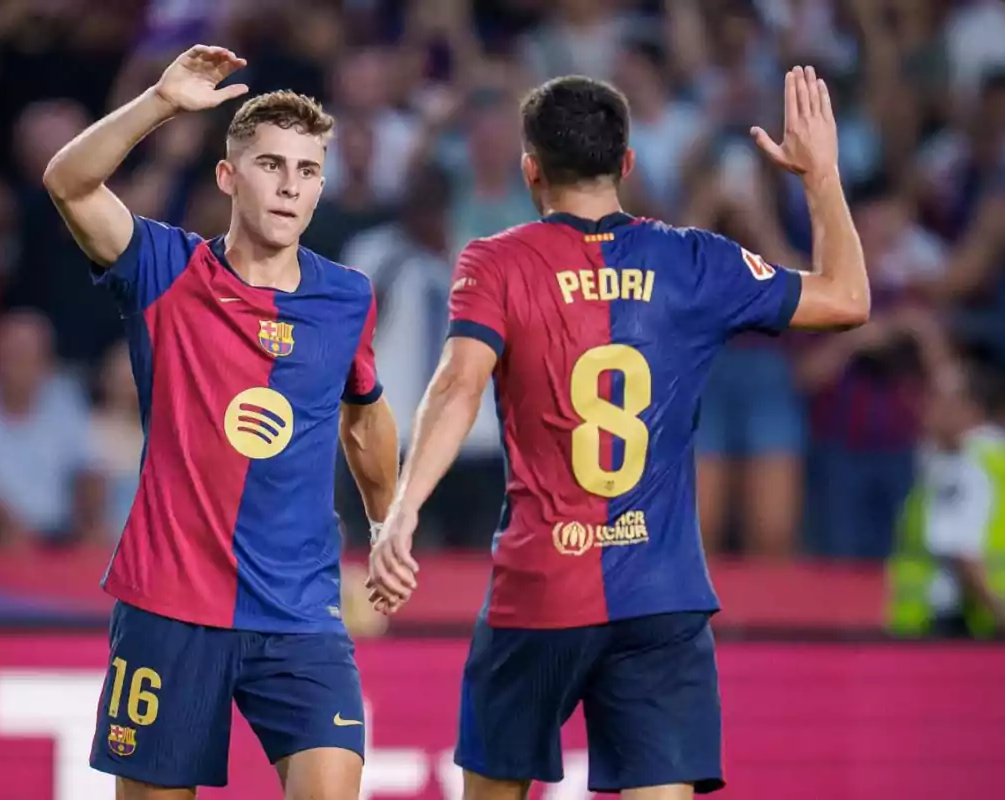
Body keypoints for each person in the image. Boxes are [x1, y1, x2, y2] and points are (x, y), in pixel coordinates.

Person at [368, 66, 869, 799]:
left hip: (539, 589)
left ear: (529, 168)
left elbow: (457, 386)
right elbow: (848, 299)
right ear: (627, 164)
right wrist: (820, 174)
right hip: (660, 597)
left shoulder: (495, 262)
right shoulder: (695, 261)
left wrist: (403, 511)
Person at [42, 46, 399, 800]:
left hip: (301, 612)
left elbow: (365, 421)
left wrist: (387, 524)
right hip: (171, 605)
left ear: (321, 187)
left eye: (306, 171)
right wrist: (161, 103)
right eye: (271, 165)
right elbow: (67, 182)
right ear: (229, 177)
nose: (289, 186)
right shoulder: (166, 270)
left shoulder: (347, 299)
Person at [888, 362, 1005, 639]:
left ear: (968, 409)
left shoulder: (962, 465)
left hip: (960, 620)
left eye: (936, 398)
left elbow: (962, 555)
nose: (925, 407)